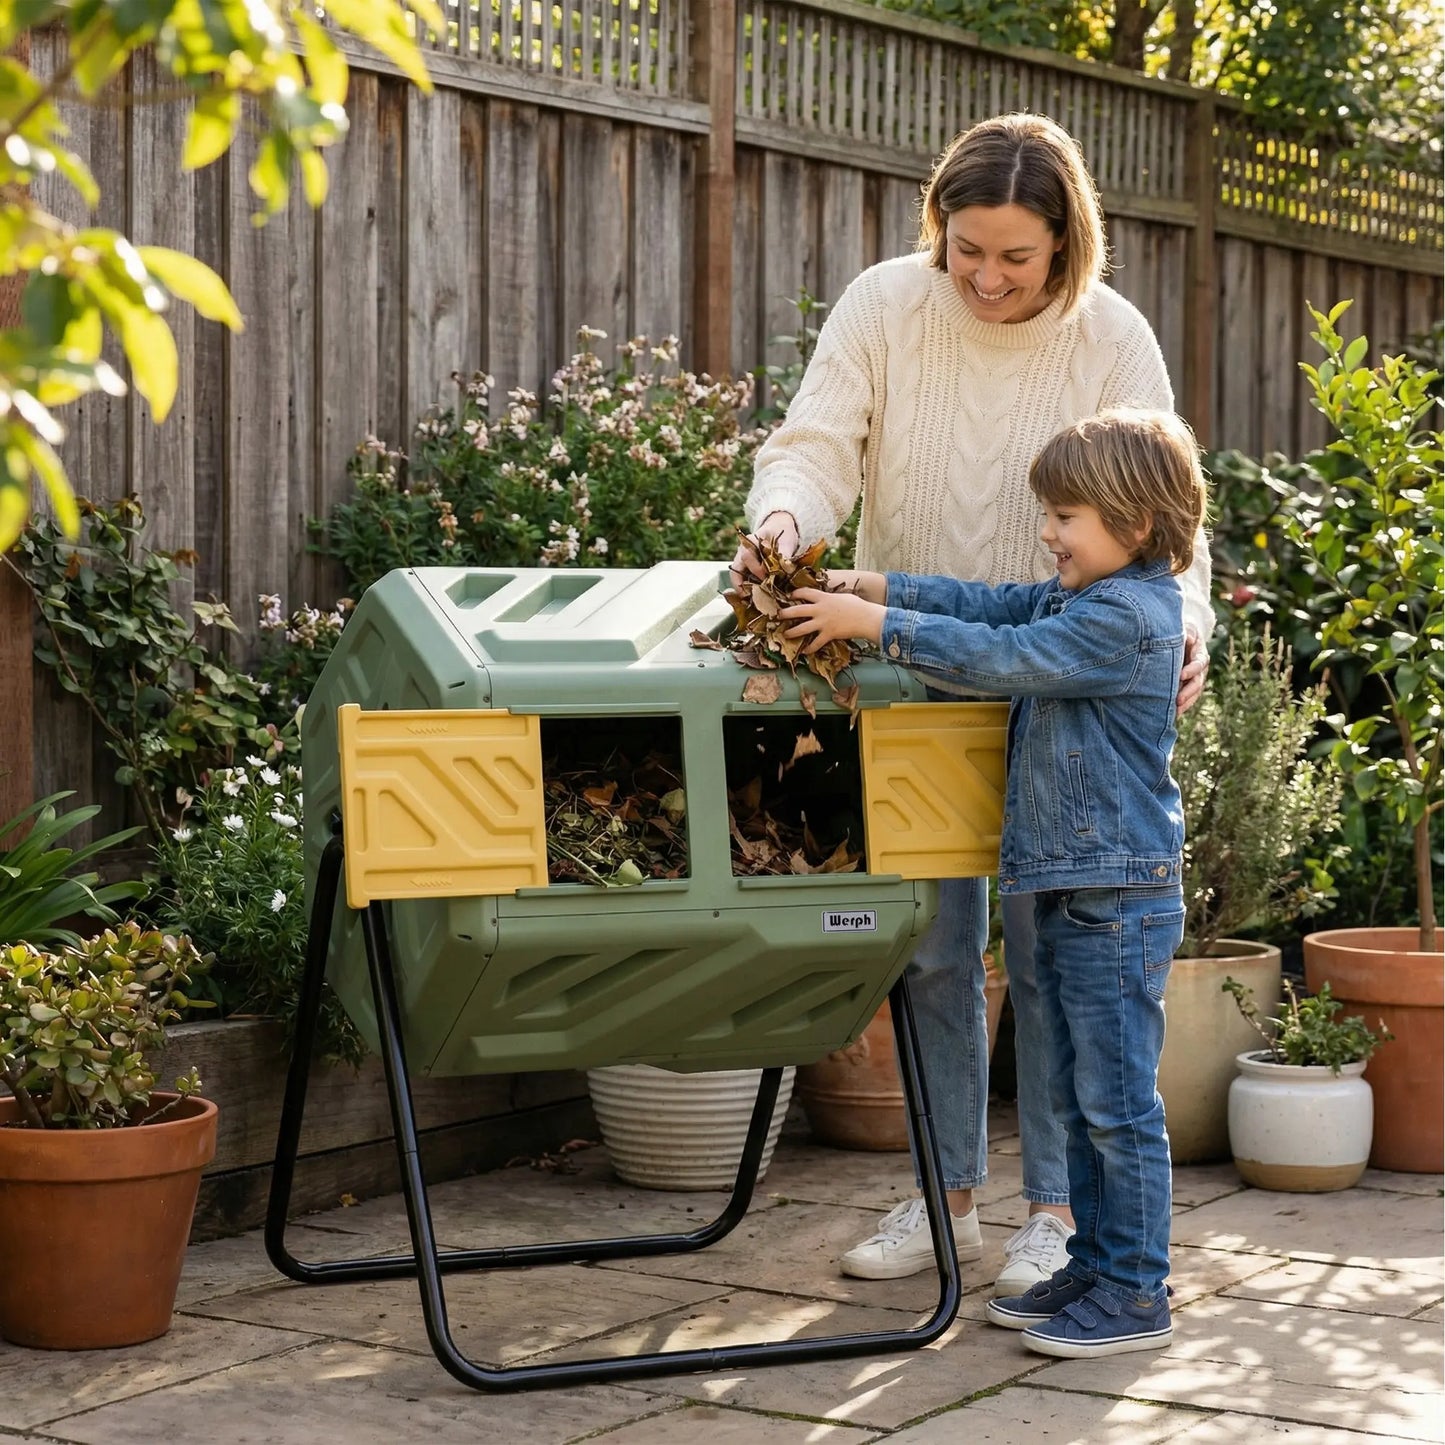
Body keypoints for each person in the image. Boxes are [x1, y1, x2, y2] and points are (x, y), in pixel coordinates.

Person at [730, 112, 1213, 1297]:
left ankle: (1051, 1213)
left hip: (1063, 684)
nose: (987, 280)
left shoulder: (1111, 334)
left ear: (1066, 244)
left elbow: (1166, 495)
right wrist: (785, 525)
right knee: (936, 948)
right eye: (966, 251)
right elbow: (814, 444)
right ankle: (941, 1194)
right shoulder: (885, 305)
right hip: (907, 671)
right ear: (935, 230)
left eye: (1017, 257)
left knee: (1054, 957)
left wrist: (1185, 617)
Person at [779, 406, 1204, 1356]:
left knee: (1117, 1103)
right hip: (1074, 887)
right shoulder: (1079, 598)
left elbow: (1002, 658)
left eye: (1065, 517)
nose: (1047, 533)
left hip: (1115, 897)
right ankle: (1094, 1265)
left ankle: (1137, 1289)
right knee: (1085, 1089)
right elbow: (989, 606)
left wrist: (877, 627)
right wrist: (873, 583)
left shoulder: (1126, 617)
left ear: (1134, 526)